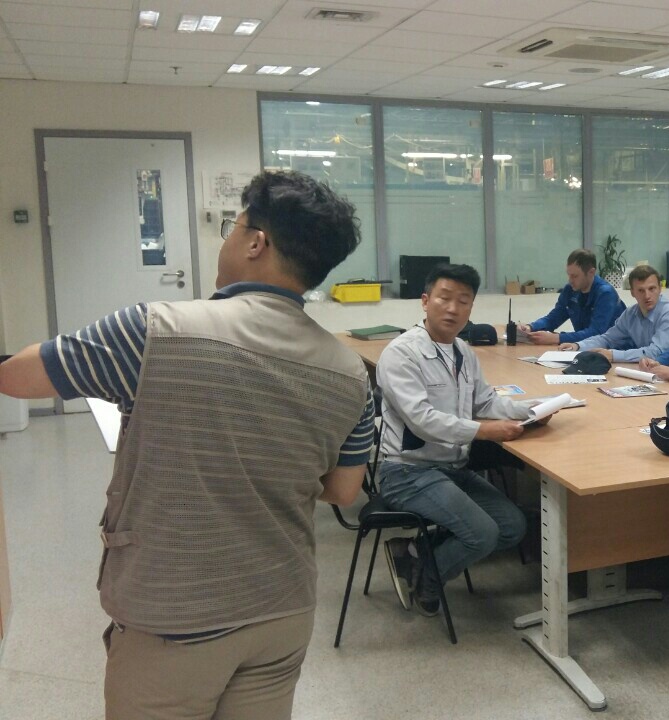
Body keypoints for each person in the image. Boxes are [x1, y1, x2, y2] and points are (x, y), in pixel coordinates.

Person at [0, 170, 374, 719]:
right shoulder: (351, 372)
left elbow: (16, 377)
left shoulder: (154, 331)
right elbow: (343, 490)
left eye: (233, 227)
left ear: (256, 242)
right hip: (283, 608)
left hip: (174, 613)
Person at [377, 263, 535, 616]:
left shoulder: (464, 351)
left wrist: (533, 410)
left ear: (471, 308)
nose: (453, 308)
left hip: (452, 468)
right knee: (482, 533)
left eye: (463, 301)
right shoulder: (401, 353)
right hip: (407, 472)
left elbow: (486, 402)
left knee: (512, 527)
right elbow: (422, 421)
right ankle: (426, 579)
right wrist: (485, 430)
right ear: (425, 301)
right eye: (444, 298)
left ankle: (414, 552)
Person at [558, 264, 669, 362]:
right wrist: (578, 346)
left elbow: (656, 352)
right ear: (632, 292)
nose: (647, 295)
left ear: (660, 289)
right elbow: (607, 339)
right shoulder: (631, 314)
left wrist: (613, 355)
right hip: (652, 372)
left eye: (652, 289)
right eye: (641, 290)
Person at [519, 248, 625, 346]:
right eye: (569, 275)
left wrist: (557, 338)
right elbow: (553, 318)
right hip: (585, 347)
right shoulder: (570, 290)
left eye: (575, 276)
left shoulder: (605, 293)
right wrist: (530, 327)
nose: (570, 280)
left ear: (591, 272)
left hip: (614, 349)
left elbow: (596, 332)